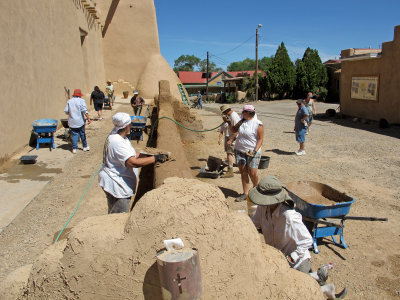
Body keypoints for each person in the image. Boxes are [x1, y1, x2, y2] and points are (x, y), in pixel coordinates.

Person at [249, 176, 348, 300]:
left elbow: (307, 240)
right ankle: (320, 279)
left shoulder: (289, 217)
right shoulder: (263, 208)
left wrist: (292, 257)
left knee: (297, 290)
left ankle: (326, 287)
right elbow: (254, 222)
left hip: (297, 261)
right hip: (277, 258)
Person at [98, 112, 169, 214]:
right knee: (118, 215)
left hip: (116, 179)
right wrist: (155, 158)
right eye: (130, 124)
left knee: (114, 210)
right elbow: (132, 163)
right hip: (117, 184)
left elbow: (133, 154)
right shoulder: (117, 142)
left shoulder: (119, 137)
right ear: (127, 126)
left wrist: (148, 156)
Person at [228, 104, 263, 202]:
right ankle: (245, 193)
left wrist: (255, 151)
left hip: (252, 151)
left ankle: (256, 190)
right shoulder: (241, 121)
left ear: (248, 113)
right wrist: (229, 123)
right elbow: (234, 130)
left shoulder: (258, 124)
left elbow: (260, 139)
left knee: (252, 173)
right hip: (239, 150)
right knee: (243, 171)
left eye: (243, 112)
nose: (241, 113)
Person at [64, 89, 91, 154]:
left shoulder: (69, 101)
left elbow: (66, 111)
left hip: (72, 121)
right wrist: (88, 118)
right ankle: (85, 146)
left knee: (74, 135)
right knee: (82, 133)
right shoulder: (81, 101)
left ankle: (74, 148)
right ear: (79, 95)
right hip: (80, 121)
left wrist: (71, 114)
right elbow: (84, 110)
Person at [218, 105, 241, 178]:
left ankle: (230, 171)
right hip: (232, 136)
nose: (224, 114)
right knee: (235, 153)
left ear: (226, 110)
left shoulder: (233, 117)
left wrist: (230, 140)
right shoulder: (232, 115)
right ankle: (241, 168)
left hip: (232, 137)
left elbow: (236, 130)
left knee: (229, 153)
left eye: (224, 112)